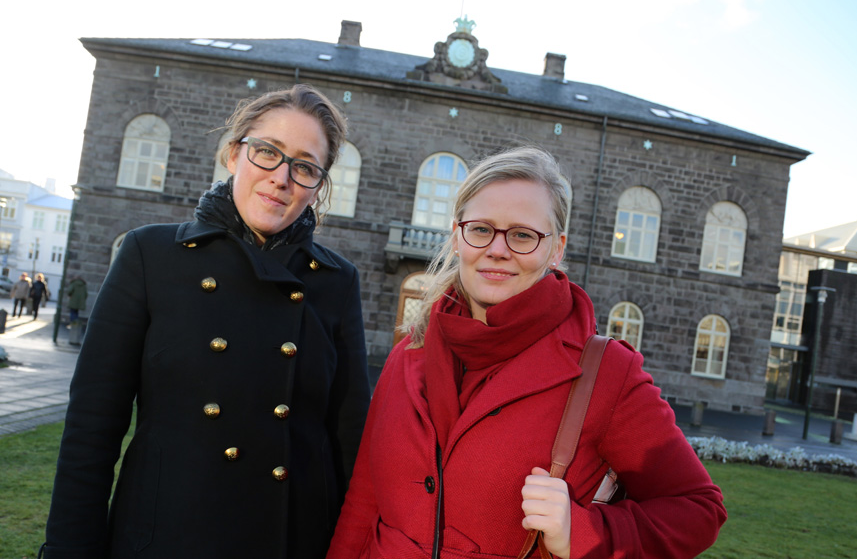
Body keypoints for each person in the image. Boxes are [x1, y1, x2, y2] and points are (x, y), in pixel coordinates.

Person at [327, 146, 726, 559]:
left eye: (522, 235)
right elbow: (364, 503)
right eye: (481, 229)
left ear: (556, 248)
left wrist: (584, 532)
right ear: (457, 235)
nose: (497, 249)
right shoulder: (410, 350)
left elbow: (699, 509)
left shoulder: (604, 371)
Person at [41, 84, 370, 559]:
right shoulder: (150, 256)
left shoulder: (337, 281)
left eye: (304, 166)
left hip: (290, 539)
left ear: (318, 184)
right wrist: (69, 550)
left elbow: (350, 442)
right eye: (267, 152)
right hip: (167, 534)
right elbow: (93, 427)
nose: (281, 177)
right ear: (234, 155)